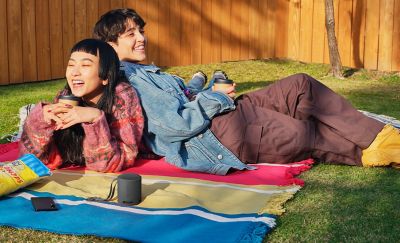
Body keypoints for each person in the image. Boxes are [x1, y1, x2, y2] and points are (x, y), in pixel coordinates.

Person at [93, 9, 400, 175]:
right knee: (304, 132)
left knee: (300, 86)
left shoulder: (144, 71)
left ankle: (380, 138)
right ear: (110, 45)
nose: (141, 38)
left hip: (224, 115)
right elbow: (176, 126)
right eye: (130, 34)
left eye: (141, 31)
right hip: (217, 135)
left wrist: (212, 90)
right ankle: (382, 147)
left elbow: (184, 101)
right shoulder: (128, 79)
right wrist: (216, 96)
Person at [19, 39, 144, 172]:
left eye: (85, 65)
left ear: (106, 76)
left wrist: (94, 118)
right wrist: (39, 121)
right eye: (71, 65)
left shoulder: (122, 97)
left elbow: (111, 164)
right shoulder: (65, 97)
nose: (74, 73)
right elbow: (31, 161)